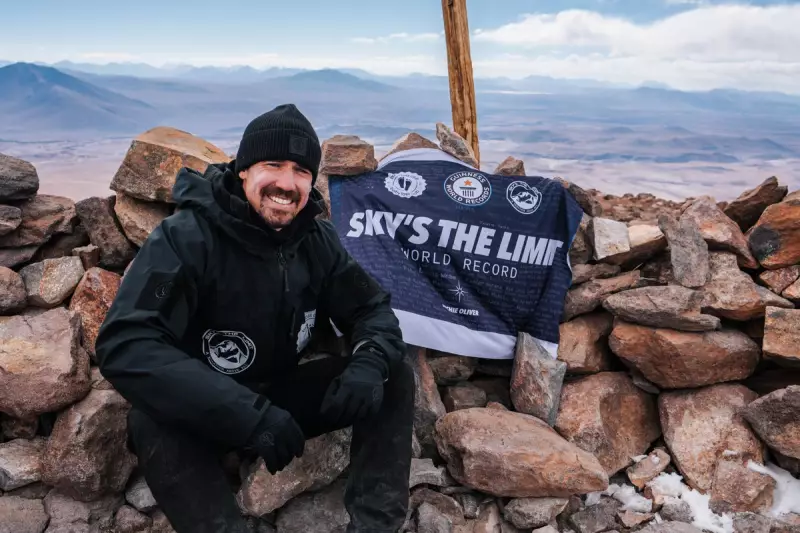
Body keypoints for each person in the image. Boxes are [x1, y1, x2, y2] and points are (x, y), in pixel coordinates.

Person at [95, 104, 415, 533]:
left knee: (392, 372)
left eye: (301, 170)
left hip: (278, 399)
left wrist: (369, 363)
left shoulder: (313, 238)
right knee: (150, 421)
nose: (287, 183)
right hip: (203, 407)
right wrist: (248, 416)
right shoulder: (187, 237)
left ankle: (376, 526)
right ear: (243, 169)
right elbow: (125, 344)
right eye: (273, 165)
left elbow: (371, 308)